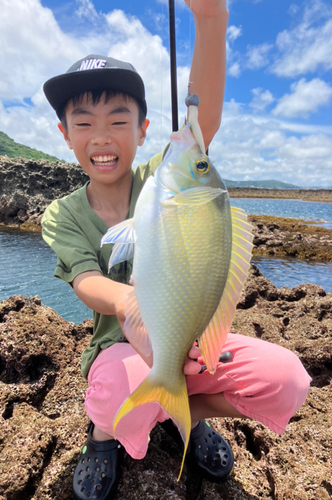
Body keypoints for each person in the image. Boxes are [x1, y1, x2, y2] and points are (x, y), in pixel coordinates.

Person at [41, 1, 312, 499]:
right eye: (83, 123)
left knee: (287, 381)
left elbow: (201, 121)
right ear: (64, 134)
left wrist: (211, 20)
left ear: (144, 130)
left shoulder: (163, 182)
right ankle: (105, 438)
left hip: (188, 345)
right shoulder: (62, 214)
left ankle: (175, 410)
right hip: (119, 352)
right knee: (110, 394)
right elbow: (85, 279)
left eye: (118, 120)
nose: (101, 136)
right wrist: (129, 306)